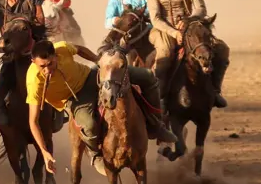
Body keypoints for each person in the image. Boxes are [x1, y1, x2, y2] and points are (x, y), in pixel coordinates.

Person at [26, 41, 174, 175]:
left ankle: (157, 125)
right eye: (42, 67)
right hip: (76, 97)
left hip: (92, 76)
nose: (47, 70)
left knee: (147, 77)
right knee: (89, 125)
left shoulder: (62, 48)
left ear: (55, 56)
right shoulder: (34, 82)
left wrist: (97, 60)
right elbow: (33, 122)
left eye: (50, 64)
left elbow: (78, 49)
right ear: (33, 62)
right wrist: (45, 153)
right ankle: (95, 153)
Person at [146, 0, 229, 109]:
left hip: (190, 27)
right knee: (165, 53)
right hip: (163, 29)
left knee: (222, 49)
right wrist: (174, 33)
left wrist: (188, 21)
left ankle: (215, 91)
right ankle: (160, 98)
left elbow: (201, 9)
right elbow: (155, 18)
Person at [0, 0, 46, 125]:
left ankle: (59, 107)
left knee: (51, 65)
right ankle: (0, 106)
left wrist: (27, 26)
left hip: (35, 39)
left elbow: (40, 19)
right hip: (14, 45)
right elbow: (3, 31)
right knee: (5, 71)